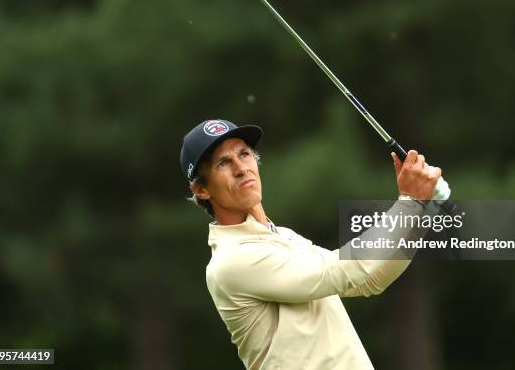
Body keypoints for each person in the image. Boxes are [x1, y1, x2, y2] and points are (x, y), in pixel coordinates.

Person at [180, 119, 449, 370]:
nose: (241, 168)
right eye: (223, 164)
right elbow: (346, 270)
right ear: (202, 190)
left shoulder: (282, 236)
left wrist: (424, 209)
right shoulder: (232, 261)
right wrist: (409, 202)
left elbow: (369, 280)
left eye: (244, 154)